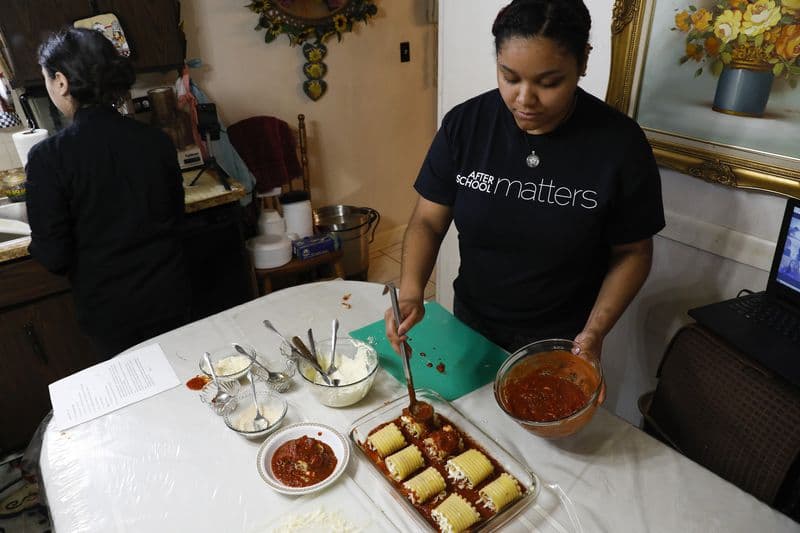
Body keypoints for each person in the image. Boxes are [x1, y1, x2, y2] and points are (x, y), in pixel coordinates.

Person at [385, 0, 664, 366]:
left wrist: (594, 332)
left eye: (549, 83)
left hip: (563, 337)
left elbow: (633, 252)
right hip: (471, 323)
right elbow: (428, 220)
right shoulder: (465, 126)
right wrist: (411, 290)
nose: (524, 99)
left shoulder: (620, 144)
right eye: (509, 77)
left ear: (583, 62)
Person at [25, 27, 190, 359]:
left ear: (61, 81)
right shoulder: (155, 141)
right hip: (172, 298)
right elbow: (175, 217)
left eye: (47, 79)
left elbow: (54, 257)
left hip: (113, 316)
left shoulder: (48, 158)